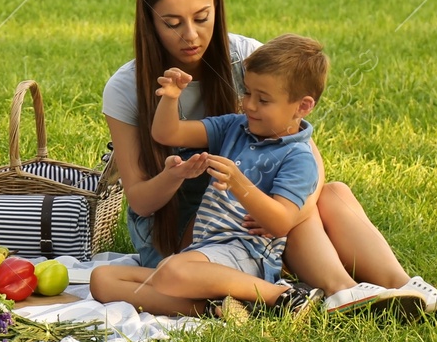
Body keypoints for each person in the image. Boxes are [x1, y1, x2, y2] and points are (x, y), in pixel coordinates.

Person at [89, 0, 437, 316]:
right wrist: (176, 173)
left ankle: (404, 288)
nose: (191, 35)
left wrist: (284, 214)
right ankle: (315, 294)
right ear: (150, 22)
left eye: (202, 17)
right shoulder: (127, 88)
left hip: (257, 220)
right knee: (111, 280)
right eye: (173, 23)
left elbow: (307, 158)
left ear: (218, 10)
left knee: (331, 191)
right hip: (188, 232)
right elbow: (140, 200)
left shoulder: (248, 60)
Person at [121, 34, 327, 314]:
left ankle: (282, 296)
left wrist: (239, 183)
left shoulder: (298, 157)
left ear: (302, 106)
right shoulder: (235, 127)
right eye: (247, 93)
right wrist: (171, 98)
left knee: (170, 272)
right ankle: (219, 307)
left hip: (246, 255)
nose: (249, 105)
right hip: (206, 252)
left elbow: (281, 223)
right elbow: (167, 133)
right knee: (104, 280)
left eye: (263, 100)